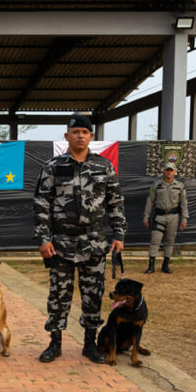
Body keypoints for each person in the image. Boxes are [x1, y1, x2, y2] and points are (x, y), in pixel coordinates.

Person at [34, 114, 126, 364]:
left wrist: (119, 234)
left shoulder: (104, 167)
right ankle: (54, 344)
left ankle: (90, 344)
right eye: (75, 132)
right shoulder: (52, 166)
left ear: (91, 137)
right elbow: (42, 202)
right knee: (58, 295)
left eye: (85, 132)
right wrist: (43, 238)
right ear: (67, 136)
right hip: (61, 242)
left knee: (93, 294)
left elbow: (115, 201)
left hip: (93, 241)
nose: (80, 136)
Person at [142, 164, 189, 274]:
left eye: (171, 170)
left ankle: (165, 266)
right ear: (163, 171)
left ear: (174, 172)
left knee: (169, 241)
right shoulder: (156, 185)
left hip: (173, 216)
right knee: (155, 241)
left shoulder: (180, 186)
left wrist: (184, 219)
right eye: (167, 170)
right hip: (159, 216)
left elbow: (184, 204)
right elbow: (150, 202)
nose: (169, 172)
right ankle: (151, 266)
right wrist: (146, 216)